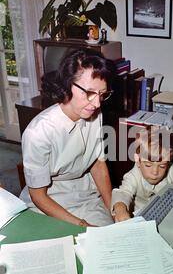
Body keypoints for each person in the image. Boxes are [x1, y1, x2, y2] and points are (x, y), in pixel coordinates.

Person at [20, 48, 115, 227]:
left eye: (102, 94)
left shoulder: (95, 113)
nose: (96, 103)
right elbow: (39, 196)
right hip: (48, 199)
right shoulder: (39, 132)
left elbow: (98, 164)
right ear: (67, 84)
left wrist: (113, 209)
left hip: (85, 193)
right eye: (89, 93)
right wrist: (81, 225)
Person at [111, 126, 173, 222]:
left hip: (167, 215)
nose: (155, 172)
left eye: (162, 166)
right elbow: (123, 192)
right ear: (138, 160)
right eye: (148, 165)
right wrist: (120, 207)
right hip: (140, 218)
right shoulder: (133, 176)